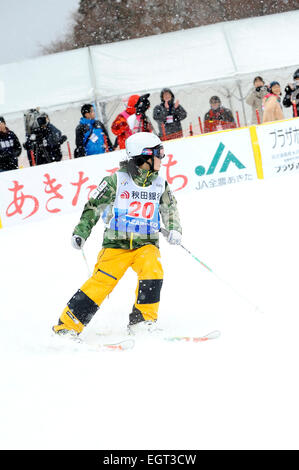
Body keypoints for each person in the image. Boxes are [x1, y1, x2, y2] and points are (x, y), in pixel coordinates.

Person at [52, 132, 182, 337]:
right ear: (144, 156)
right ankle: (67, 326)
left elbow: (170, 208)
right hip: (115, 245)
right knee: (101, 283)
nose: (162, 158)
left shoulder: (160, 184)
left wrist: (174, 228)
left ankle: (143, 321)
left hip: (146, 244)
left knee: (152, 270)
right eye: (159, 154)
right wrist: (81, 232)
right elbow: (93, 207)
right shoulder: (116, 181)